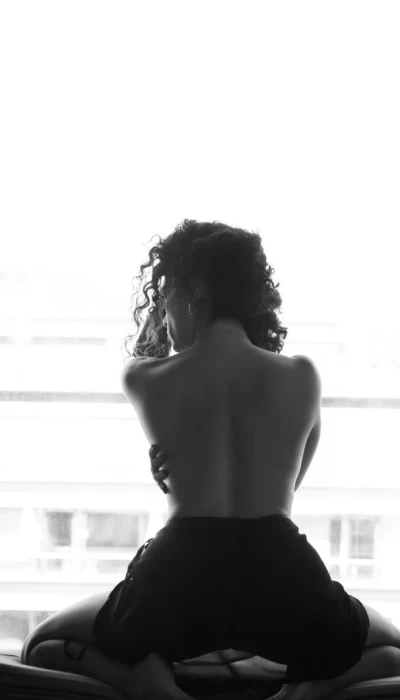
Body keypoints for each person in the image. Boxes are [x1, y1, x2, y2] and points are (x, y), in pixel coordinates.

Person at [23, 220, 400, 700]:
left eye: (165, 298)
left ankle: (143, 683)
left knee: (42, 643)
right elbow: (287, 482)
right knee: (392, 650)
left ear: (194, 292)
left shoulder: (142, 378)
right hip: (282, 573)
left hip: (178, 574)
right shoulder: (303, 377)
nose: (162, 314)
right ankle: (304, 692)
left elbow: (159, 357)